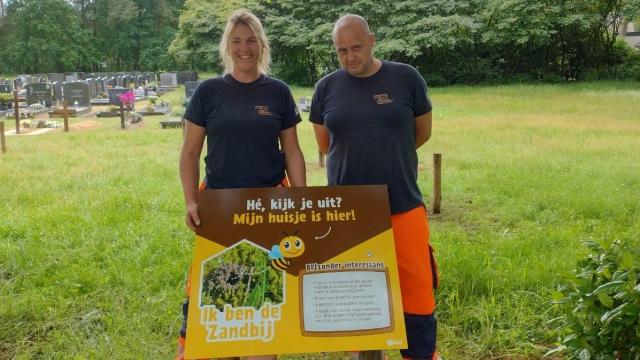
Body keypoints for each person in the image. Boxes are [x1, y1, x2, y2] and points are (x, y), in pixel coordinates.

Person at [176, 9, 306, 360]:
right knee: (219, 294)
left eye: (251, 40)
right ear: (227, 47)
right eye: (236, 41)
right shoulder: (209, 91)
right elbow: (189, 154)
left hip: (269, 207)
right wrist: (191, 201)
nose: (244, 48)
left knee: (265, 291)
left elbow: (292, 150)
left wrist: (299, 199)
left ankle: (259, 349)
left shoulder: (278, 92)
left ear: (261, 44)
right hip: (219, 207)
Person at [309, 14, 440, 360]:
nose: (350, 56)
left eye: (356, 47)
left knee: (416, 293)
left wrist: (389, 151)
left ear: (372, 40)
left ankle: (422, 354)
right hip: (348, 213)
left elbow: (421, 133)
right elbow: (326, 145)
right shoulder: (326, 88)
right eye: (342, 51)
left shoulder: (406, 77)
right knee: (357, 297)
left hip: (402, 204)